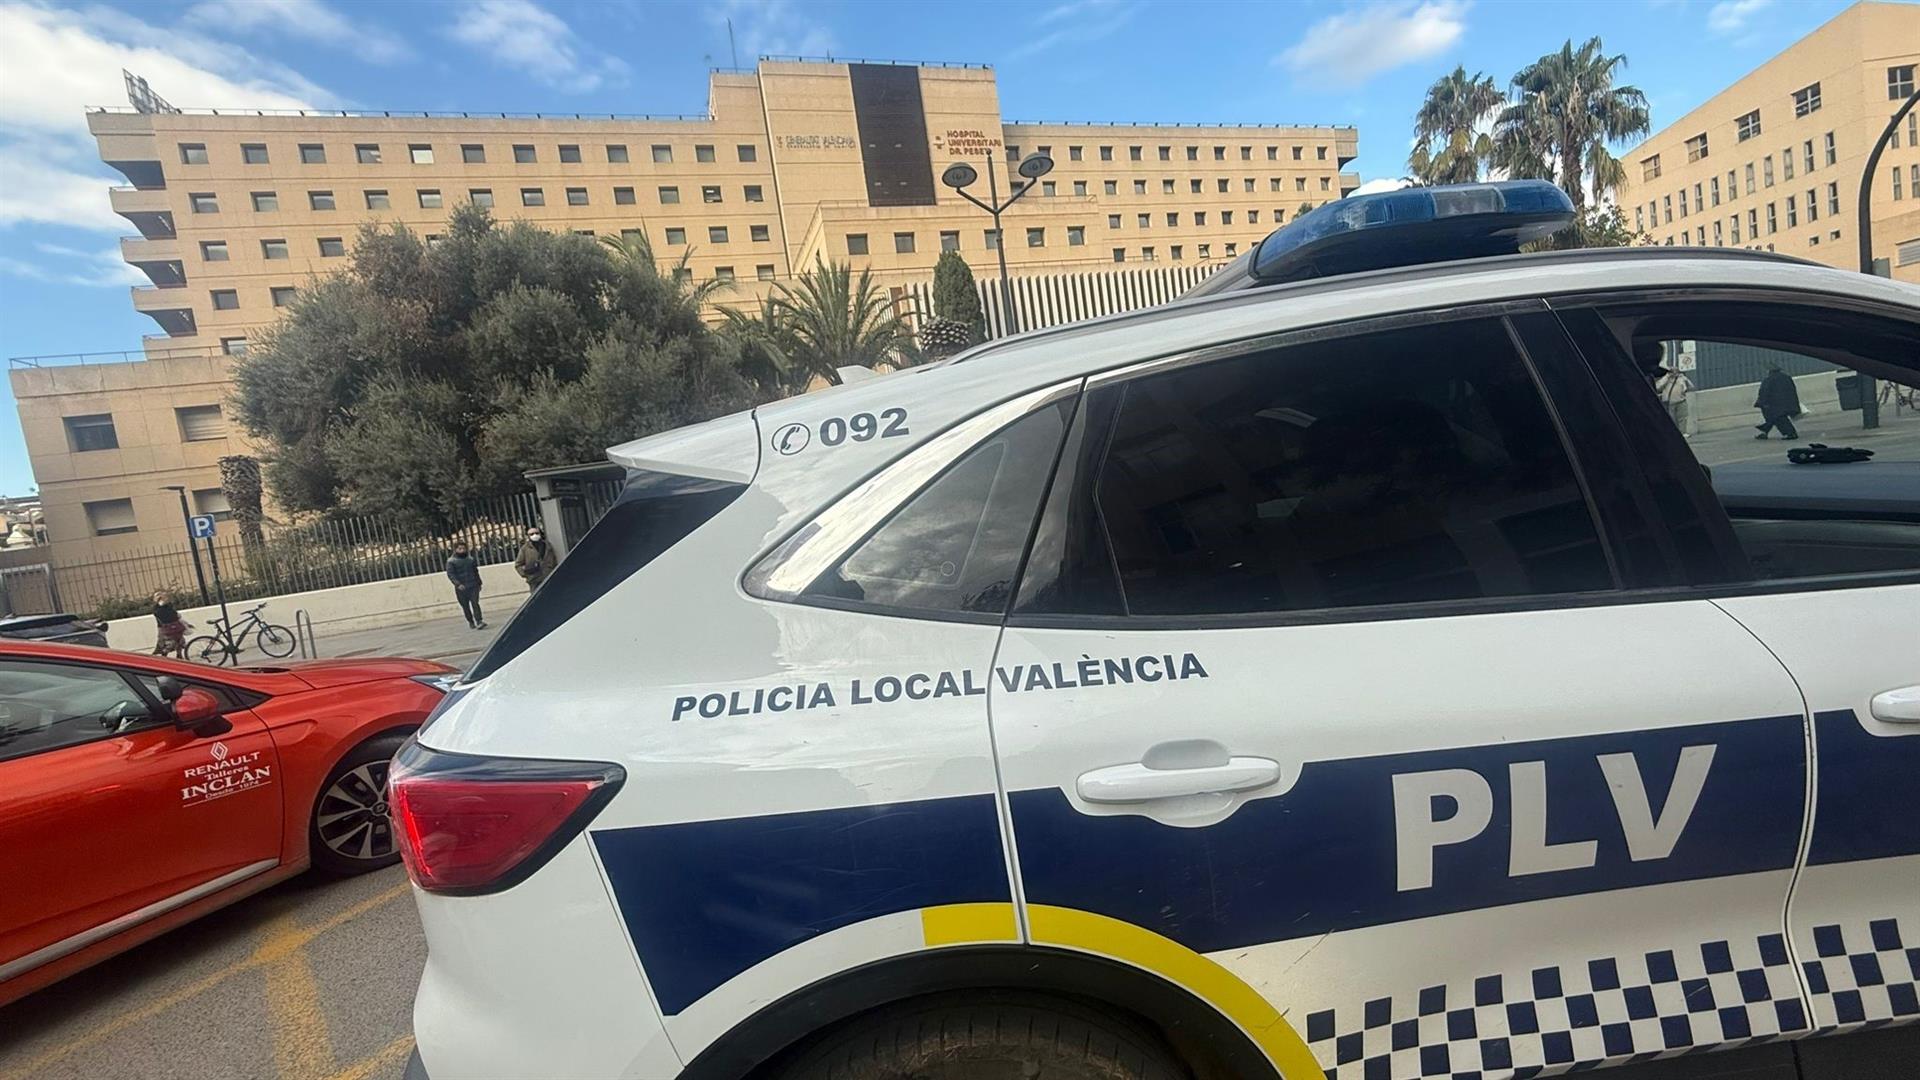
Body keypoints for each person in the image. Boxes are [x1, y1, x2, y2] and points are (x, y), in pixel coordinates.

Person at [1754, 365, 1802, 440]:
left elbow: (1764, 392)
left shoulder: (1768, 379)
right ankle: (1765, 431)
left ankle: (1791, 434)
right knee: (1775, 418)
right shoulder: (1787, 377)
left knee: (1778, 418)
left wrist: (1761, 402)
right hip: (1788, 402)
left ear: (1770, 371)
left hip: (1774, 404)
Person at [446, 541, 485, 630]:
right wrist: (458, 584)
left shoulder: (470, 560)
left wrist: (479, 583)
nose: (462, 550)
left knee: (475, 603)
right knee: (465, 606)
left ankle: (479, 621)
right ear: (455, 550)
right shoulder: (451, 561)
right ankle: (470, 621)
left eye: (464, 548)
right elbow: (451, 574)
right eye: (460, 549)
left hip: (473, 585)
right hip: (461, 587)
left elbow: (475, 572)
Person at [514, 527, 558, 592]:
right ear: (528, 536)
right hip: (534, 580)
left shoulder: (547, 545)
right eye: (531, 534)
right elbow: (518, 565)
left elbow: (554, 560)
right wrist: (526, 574)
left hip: (549, 576)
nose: (535, 535)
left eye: (536, 533)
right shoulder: (525, 548)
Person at [151, 591, 190, 657]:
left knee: (179, 640)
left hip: (175, 625)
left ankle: (179, 655)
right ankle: (164, 654)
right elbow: (160, 615)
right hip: (165, 627)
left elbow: (174, 614)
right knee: (167, 643)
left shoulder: (169, 605)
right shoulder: (157, 608)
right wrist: (161, 606)